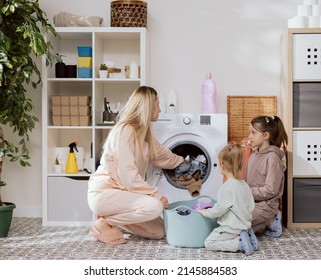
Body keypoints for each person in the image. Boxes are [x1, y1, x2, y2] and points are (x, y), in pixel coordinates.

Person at [87, 86, 184, 244]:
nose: (159, 108)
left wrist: (185, 162)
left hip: (125, 195)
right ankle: (105, 222)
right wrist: (155, 195)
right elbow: (128, 175)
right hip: (105, 193)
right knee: (155, 207)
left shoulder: (144, 135)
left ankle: (111, 220)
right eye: (157, 104)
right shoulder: (125, 131)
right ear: (148, 106)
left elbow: (163, 156)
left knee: (159, 231)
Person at [199, 144, 259, 256]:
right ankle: (247, 235)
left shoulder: (226, 187)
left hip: (231, 228)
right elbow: (251, 205)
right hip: (245, 224)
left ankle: (239, 244)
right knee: (237, 228)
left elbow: (220, 209)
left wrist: (206, 212)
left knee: (209, 243)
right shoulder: (244, 184)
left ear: (222, 165)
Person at [245, 115, 288, 238]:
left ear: (265, 135)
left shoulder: (273, 158)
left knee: (237, 224)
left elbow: (271, 190)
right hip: (251, 202)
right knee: (226, 219)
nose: (249, 136)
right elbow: (248, 182)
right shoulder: (253, 156)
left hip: (266, 206)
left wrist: (247, 192)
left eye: (253, 133)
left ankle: (271, 220)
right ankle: (262, 223)